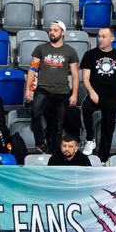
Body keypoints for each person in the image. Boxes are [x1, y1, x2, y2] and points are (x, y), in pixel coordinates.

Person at [25, 20, 79, 155]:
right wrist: (28, 90)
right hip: (43, 90)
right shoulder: (40, 49)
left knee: (57, 127)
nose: (51, 32)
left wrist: (74, 94)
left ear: (62, 33)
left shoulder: (70, 51)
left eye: (55, 30)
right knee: (35, 113)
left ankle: (54, 155)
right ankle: (40, 143)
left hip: (61, 93)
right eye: (50, 30)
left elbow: (75, 75)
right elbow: (32, 70)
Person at [80, 27, 116, 162]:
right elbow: (85, 78)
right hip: (95, 93)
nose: (100, 39)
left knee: (108, 128)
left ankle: (102, 159)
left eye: (103, 36)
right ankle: (90, 140)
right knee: (86, 108)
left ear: (112, 39)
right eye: (99, 36)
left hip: (112, 96)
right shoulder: (90, 55)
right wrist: (91, 92)